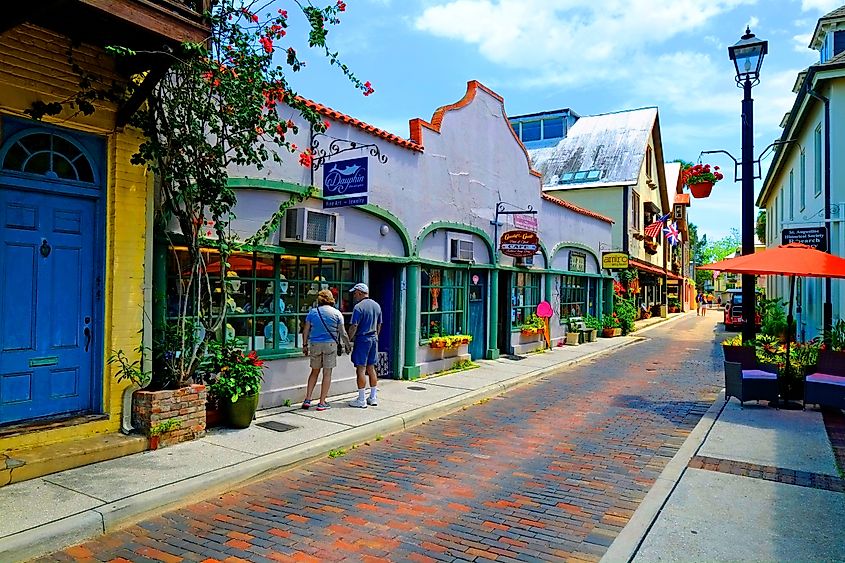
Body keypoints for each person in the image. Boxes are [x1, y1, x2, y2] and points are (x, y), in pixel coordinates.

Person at [302, 289, 350, 411]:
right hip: (330, 345)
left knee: (314, 372)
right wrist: (347, 345)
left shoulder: (312, 313)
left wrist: (304, 345)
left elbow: (306, 330)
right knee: (327, 374)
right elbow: (342, 332)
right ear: (331, 299)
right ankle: (322, 402)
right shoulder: (337, 313)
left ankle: (307, 399)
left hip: (315, 344)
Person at [347, 282, 382, 408]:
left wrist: (348, 340)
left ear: (360, 292)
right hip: (373, 338)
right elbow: (379, 324)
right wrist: (376, 336)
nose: (354, 295)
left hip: (362, 339)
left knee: (360, 369)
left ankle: (361, 398)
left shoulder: (358, 307)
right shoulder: (376, 306)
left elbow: (354, 326)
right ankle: (373, 397)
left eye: (355, 293)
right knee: (371, 368)